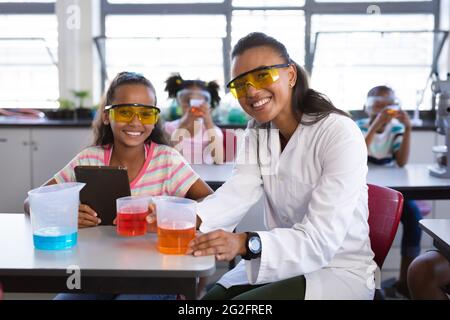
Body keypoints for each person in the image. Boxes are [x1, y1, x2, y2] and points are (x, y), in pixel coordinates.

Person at [163, 32, 377, 300]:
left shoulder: (338, 133)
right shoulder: (258, 131)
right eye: (240, 84)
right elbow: (237, 191)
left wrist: (244, 242)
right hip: (282, 262)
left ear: (290, 75)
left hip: (336, 270)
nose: (251, 91)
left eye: (263, 75)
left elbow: (320, 241)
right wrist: (171, 220)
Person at [24, 71, 213, 299]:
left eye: (145, 113)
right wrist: (66, 213)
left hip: (158, 277)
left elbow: (211, 202)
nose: (135, 121)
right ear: (107, 116)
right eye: (125, 112)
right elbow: (31, 202)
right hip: (97, 273)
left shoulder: (168, 161)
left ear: (154, 118)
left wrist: (168, 213)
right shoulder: (88, 160)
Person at [356, 86, 422, 298]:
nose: (383, 110)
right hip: (364, 189)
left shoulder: (396, 129)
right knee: (368, 227)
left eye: (388, 105)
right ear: (367, 108)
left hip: (393, 190)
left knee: (413, 216)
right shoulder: (358, 127)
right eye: (377, 105)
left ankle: (405, 281)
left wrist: (408, 129)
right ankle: (368, 283)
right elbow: (358, 156)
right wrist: (375, 125)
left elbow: (401, 162)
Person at [164, 74, 224, 164]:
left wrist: (208, 123)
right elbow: (170, 158)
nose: (193, 107)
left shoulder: (213, 131)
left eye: (199, 103)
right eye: (188, 101)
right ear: (179, 102)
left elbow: (219, 160)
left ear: (208, 104)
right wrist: (183, 125)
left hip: (206, 177)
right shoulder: (169, 128)